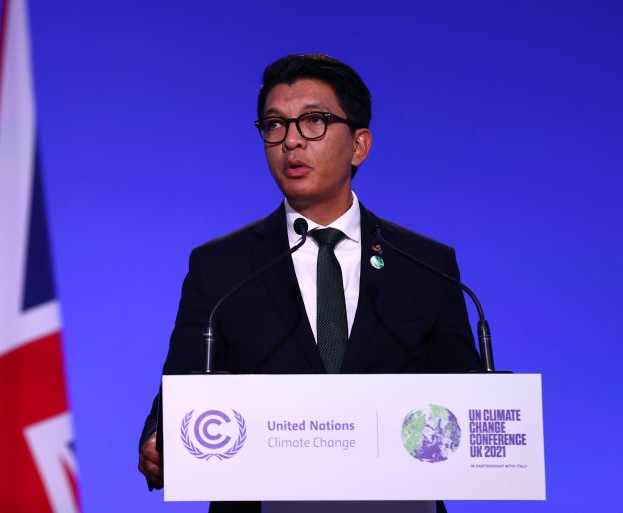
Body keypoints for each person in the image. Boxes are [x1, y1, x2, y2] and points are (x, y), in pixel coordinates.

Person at [138, 54, 482, 513]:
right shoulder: (221, 267)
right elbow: (181, 388)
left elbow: (465, 398)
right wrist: (159, 438)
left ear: (359, 145)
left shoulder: (424, 264)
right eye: (275, 125)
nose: (291, 141)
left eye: (314, 121)